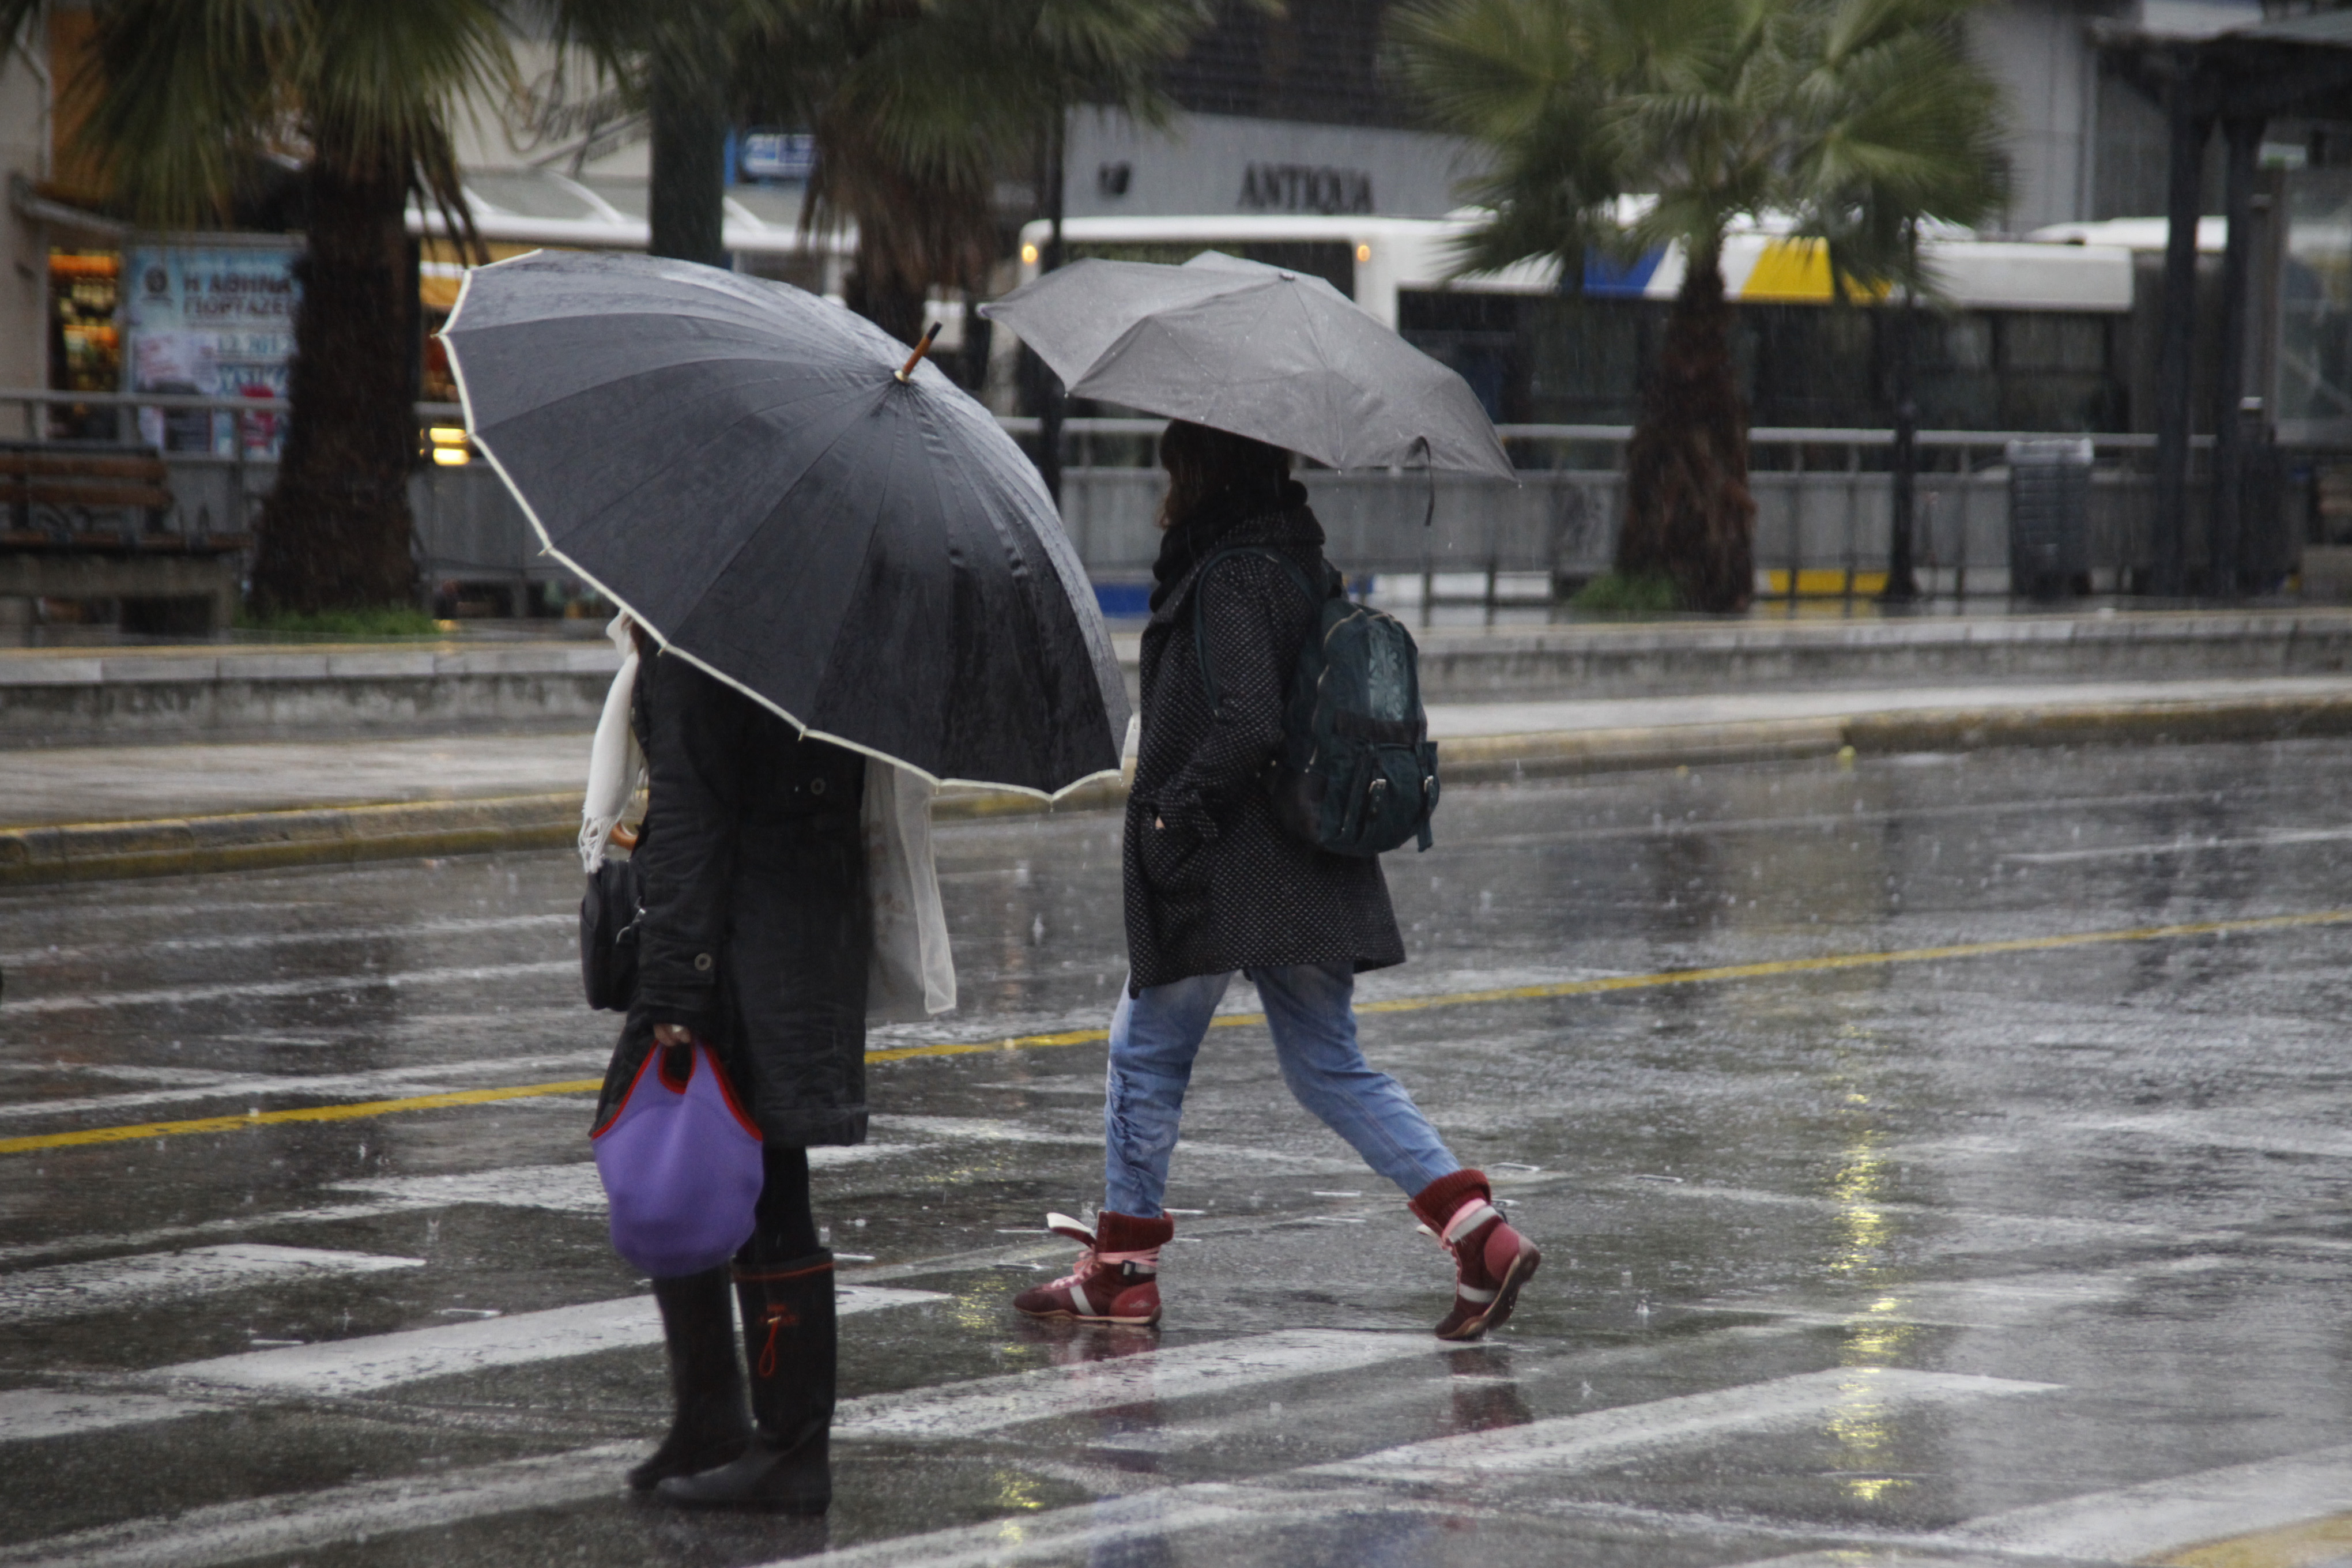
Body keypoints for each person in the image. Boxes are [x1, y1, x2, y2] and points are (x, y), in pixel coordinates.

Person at [1012, 421, 1541, 1341]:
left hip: (1228, 862)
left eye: (1175, 464)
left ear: (1203, 473)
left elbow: (1249, 719)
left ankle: (1124, 1270)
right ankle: (1477, 1232)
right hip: (1306, 853)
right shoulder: (1299, 560)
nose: (1164, 484)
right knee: (1329, 1065)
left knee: (1146, 1054)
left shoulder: (1228, 571)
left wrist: (1176, 815)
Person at [595, 631, 869, 1513]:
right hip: (786, 928)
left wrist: (676, 982)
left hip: (727, 947)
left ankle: (786, 1444)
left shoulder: (705, 634)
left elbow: (693, 811)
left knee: (738, 1181)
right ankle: (725, 1419)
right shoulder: (806, 636)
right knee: (742, 1176)